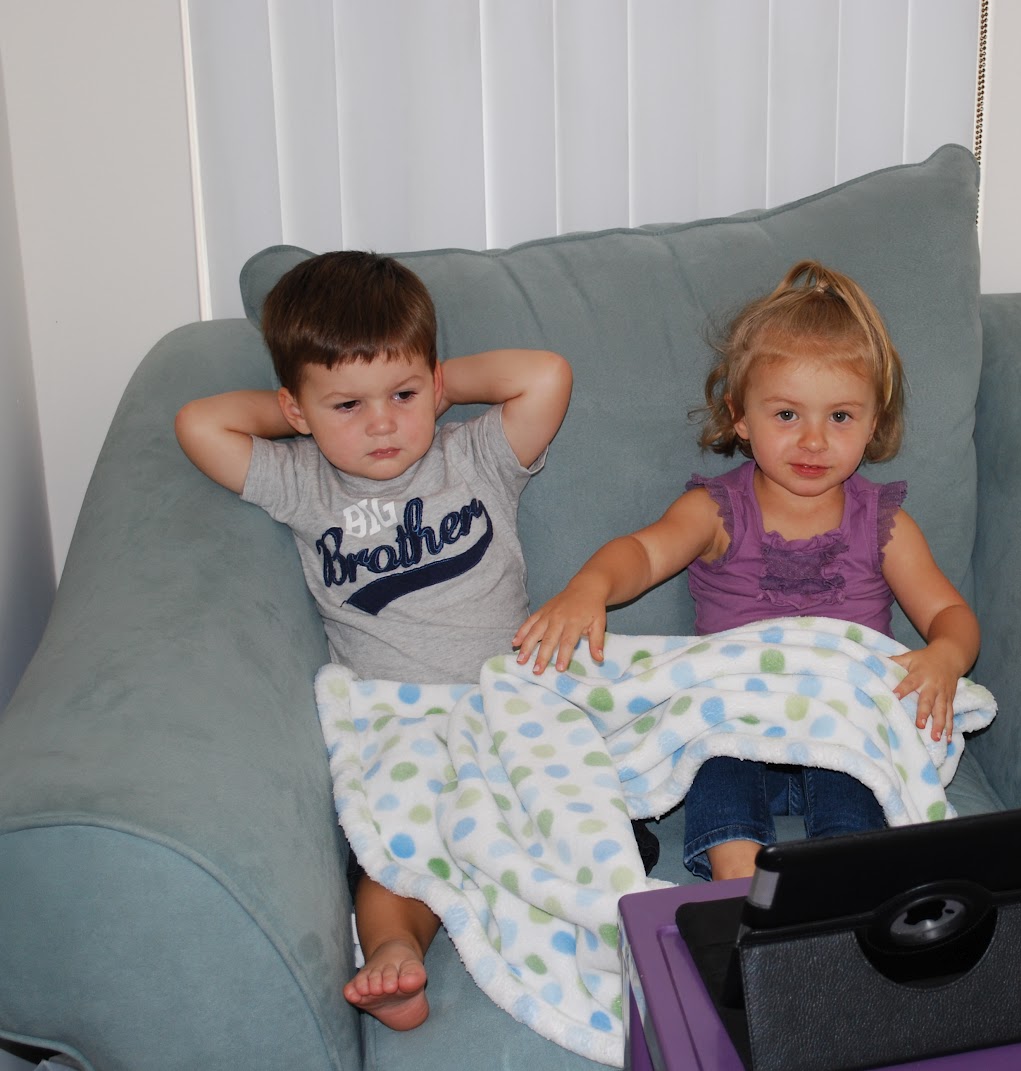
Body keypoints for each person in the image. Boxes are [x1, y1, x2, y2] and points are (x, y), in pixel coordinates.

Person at [174, 250, 575, 1032]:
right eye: (348, 406)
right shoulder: (304, 483)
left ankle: (547, 906)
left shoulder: (475, 457)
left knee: (560, 820)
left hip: (508, 706)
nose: (383, 423)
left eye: (404, 395)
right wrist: (308, 412)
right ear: (298, 411)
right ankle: (396, 946)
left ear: (435, 385)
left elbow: (547, 375)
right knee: (394, 851)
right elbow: (199, 423)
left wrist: (437, 386)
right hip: (399, 721)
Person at [512, 259, 980, 882]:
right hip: (738, 721)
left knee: (854, 779)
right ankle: (740, 887)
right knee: (717, 757)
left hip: (841, 722)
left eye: (840, 417)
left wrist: (946, 654)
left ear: (873, 423)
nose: (813, 440)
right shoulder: (717, 511)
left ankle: (840, 885)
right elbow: (644, 553)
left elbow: (948, 613)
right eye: (786, 415)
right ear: (740, 415)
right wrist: (588, 588)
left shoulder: (883, 524)